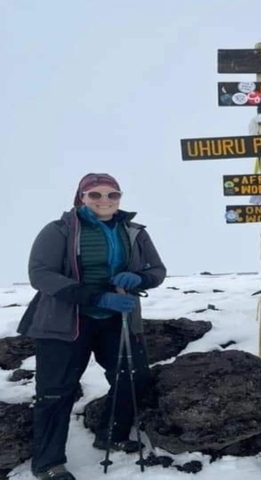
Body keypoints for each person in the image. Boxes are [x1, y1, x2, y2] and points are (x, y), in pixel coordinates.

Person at [18, 173, 166, 480]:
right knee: (55, 392)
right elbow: (41, 274)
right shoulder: (59, 230)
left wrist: (139, 278)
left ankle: (110, 433)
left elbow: (157, 270)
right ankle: (48, 463)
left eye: (112, 195)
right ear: (81, 198)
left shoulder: (135, 232)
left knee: (134, 378)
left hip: (117, 320)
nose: (104, 200)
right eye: (95, 194)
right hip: (64, 321)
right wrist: (97, 297)